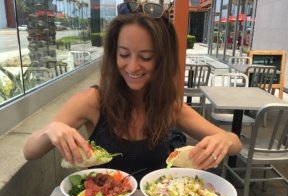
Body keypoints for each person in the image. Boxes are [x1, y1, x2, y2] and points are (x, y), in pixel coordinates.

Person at [23, 2, 242, 182]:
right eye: (124, 54)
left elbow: (235, 143)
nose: (133, 66)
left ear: (162, 61)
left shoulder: (168, 106)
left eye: (146, 57)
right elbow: (29, 152)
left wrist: (223, 140)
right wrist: (51, 130)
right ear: (113, 54)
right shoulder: (92, 101)